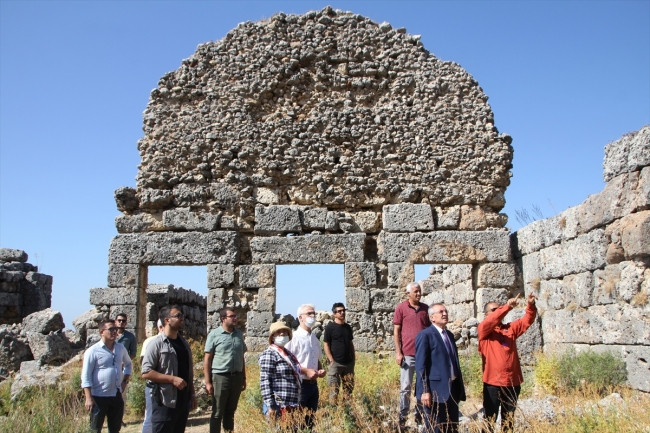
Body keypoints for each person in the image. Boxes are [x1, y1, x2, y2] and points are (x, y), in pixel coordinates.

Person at [478, 292, 537, 433]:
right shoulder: (484, 330)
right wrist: (506, 307)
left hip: (512, 382)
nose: (498, 311)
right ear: (486, 314)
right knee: (489, 419)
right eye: (494, 310)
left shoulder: (509, 329)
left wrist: (531, 305)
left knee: (509, 420)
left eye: (499, 308)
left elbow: (527, 320)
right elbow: (491, 321)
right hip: (493, 383)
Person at [141, 305, 197, 433]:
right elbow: (146, 372)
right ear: (167, 320)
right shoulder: (156, 344)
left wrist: (192, 394)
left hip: (182, 401)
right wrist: (172, 379)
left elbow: (188, 372)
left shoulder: (184, 343)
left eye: (182, 315)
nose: (182, 318)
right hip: (164, 401)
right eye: (178, 316)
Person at [415, 303, 466, 433]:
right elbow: (421, 366)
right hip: (435, 391)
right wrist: (425, 390)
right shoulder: (425, 335)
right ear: (432, 317)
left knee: (452, 427)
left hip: (452, 389)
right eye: (441, 312)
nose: (445, 314)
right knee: (434, 428)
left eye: (445, 311)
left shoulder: (448, 335)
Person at [259, 321, 317, 429]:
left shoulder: (289, 355)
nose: (282, 334)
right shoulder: (269, 354)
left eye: (285, 332)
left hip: (292, 404)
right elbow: (265, 381)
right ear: (272, 337)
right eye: (278, 332)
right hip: (278, 405)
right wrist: (270, 406)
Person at [81, 319, 132, 433]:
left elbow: (128, 364)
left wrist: (125, 381)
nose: (115, 331)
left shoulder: (120, 348)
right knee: (95, 429)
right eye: (111, 329)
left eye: (115, 329)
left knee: (115, 428)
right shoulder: (92, 351)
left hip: (115, 395)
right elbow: (86, 375)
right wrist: (88, 398)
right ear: (102, 332)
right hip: (98, 396)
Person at [203, 307, 247, 433]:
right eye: (232, 316)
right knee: (217, 412)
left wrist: (243, 377)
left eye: (235, 316)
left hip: (236, 377)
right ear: (223, 319)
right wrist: (208, 382)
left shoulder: (239, 334)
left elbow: (241, 357)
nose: (235, 318)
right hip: (220, 377)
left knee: (230, 411)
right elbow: (207, 359)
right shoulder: (214, 335)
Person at [393, 282, 430, 429]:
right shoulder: (401, 308)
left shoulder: (426, 309)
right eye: (415, 291)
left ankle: (420, 416)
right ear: (408, 293)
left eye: (419, 291)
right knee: (406, 386)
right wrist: (398, 352)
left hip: (423, 354)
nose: (419, 294)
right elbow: (396, 331)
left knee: (422, 386)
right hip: (407, 354)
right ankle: (402, 417)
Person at [285, 304, 326, 429]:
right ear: (300, 317)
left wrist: (320, 370)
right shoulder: (293, 338)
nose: (312, 316)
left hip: (313, 386)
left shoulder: (314, 338)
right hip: (299, 386)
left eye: (313, 313)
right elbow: (287, 363)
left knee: (310, 423)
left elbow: (316, 359)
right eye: (309, 313)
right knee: (296, 423)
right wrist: (306, 371)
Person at [323, 302, 355, 405]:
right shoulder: (330, 328)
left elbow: (350, 343)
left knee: (348, 390)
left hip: (348, 363)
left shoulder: (347, 327)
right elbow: (326, 344)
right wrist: (331, 359)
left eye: (343, 310)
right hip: (336, 363)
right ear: (334, 314)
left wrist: (353, 358)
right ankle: (334, 413)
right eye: (339, 311)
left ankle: (347, 411)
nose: (342, 313)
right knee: (334, 390)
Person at [141, 319, 164, 433]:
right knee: (150, 416)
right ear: (161, 327)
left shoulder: (175, 341)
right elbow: (144, 365)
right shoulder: (151, 341)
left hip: (167, 386)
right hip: (153, 385)